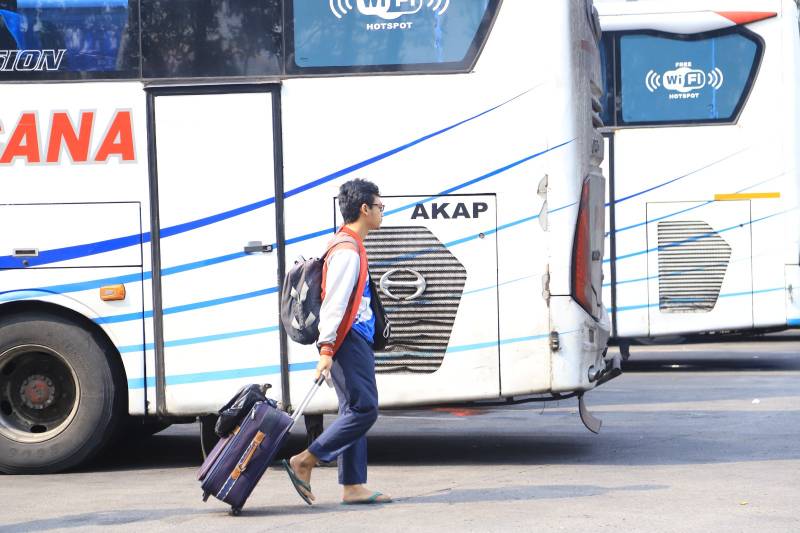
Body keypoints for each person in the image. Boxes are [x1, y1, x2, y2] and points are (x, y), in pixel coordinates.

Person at [283, 178, 392, 505]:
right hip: (349, 339)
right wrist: (327, 349)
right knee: (365, 410)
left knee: (352, 409)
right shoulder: (347, 251)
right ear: (364, 209)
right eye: (380, 206)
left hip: (352, 338)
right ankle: (306, 460)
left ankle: (353, 486)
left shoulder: (347, 244)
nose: (382, 212)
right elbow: (335, 303)